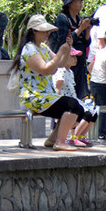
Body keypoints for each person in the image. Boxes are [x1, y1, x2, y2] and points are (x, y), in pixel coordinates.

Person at [11, 15, 88, 151]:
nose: (47, 33)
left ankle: (53, 139)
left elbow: (61, 64)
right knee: (72, 105)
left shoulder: (43, 48)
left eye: (47, 31)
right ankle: (60, 142)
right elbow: (46, 70)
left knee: (80, 108)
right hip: (34, 96)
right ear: (34, 31)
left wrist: (68, 48)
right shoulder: (29, 49)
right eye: (44, 31)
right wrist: (61, 52)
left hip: (46, 95)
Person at [52, 0, 94, 98]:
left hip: (79, 63)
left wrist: (87, 31)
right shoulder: (63, 19)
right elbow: (64, 42)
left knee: (79, 95)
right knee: (68, 94)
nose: (81, 4)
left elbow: (85, 44)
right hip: (67, 64)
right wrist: (80, 29)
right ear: (70, 3)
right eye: (78, 1)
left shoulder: (79, 19)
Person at [50, 48, 97, 144]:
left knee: (94, 113)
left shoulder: (70, 72)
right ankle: (74, 137)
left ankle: (80, 136)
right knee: (86, 114)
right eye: (72, 56)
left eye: (75, 57)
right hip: (66, 102)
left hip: (73, 100)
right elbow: (57, 89)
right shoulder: (61, 71)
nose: (75, 59)